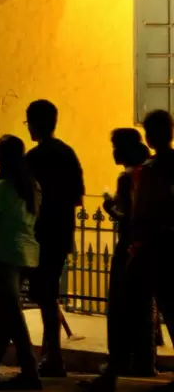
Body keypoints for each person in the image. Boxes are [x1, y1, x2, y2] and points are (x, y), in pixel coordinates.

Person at [87, 112, 174, 392]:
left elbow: (138, 214)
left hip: (145, 250)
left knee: (125, 312)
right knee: (166, 311)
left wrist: (134, 244)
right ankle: (131, 365)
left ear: (149, 135)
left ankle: (112, 374)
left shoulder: (146, 171)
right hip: (169, 248)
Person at [24, 99, 84, 377]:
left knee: (44, 297)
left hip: (38, 234)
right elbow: (77, 197)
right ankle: (49, 353)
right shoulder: (68, 154)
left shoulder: (33, 159)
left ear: (34, 124)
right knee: (49, 294)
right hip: (61, 232)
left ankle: (52, 356)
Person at [0, 135, 42, 389]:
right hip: (26, 253)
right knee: (7, 313)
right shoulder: (32, 186)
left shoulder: (2, 187)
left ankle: (30, 370)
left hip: (4, 253)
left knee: (12, 313)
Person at [100, 129, 155, 382]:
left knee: (122, 307)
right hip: (149, 247)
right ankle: (145, 361)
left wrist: (110, 207)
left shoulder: (126, 178)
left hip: (128, 248)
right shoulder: (149, 173)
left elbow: (128, 217)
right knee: (143, 308)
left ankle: (118, 362)